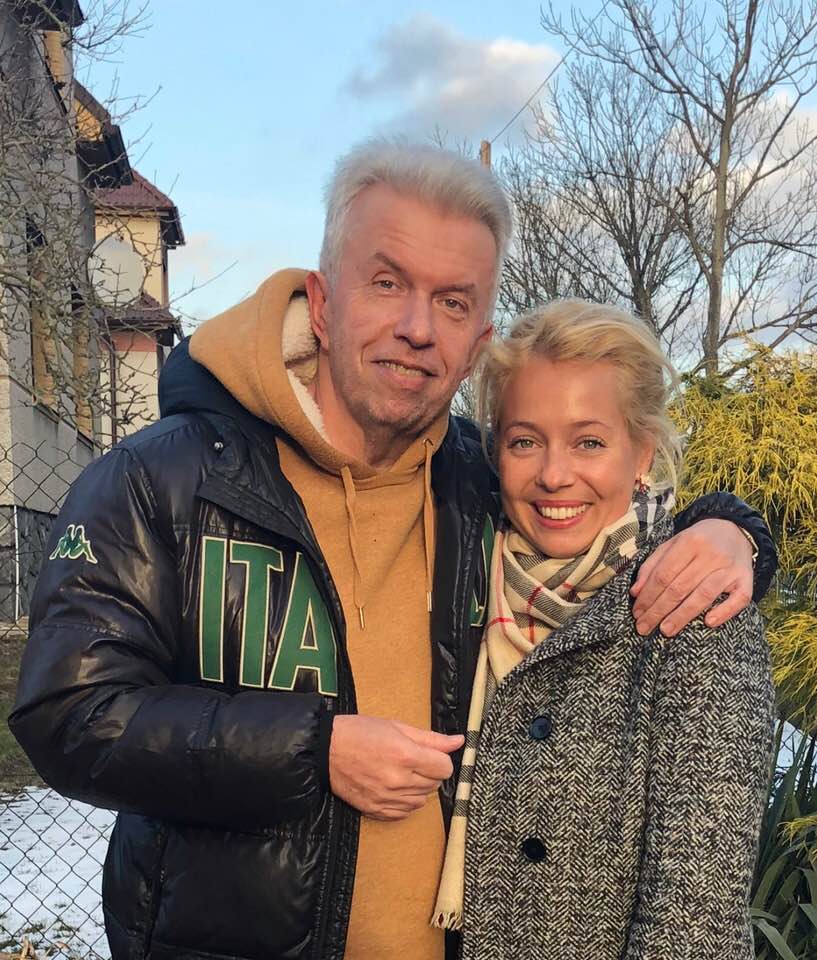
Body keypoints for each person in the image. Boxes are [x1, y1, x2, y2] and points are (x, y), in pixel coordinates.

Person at [10, 141, 775, 960]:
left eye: (452, 302)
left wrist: (732, 531)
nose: (416, 328)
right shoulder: (161, 478)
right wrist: (312, 749)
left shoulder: (481, 483)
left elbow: (606, 498)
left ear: (476, 342)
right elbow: (68, 714)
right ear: (323, 301)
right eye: (386, 283)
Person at [432, 300, 775, 959]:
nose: (554, 474)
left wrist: (736, 530)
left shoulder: (697, 613)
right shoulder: (457, 573)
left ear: (640, 452)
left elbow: (692, 924)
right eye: (525, 441)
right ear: (494, 451)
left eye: (588, 442)